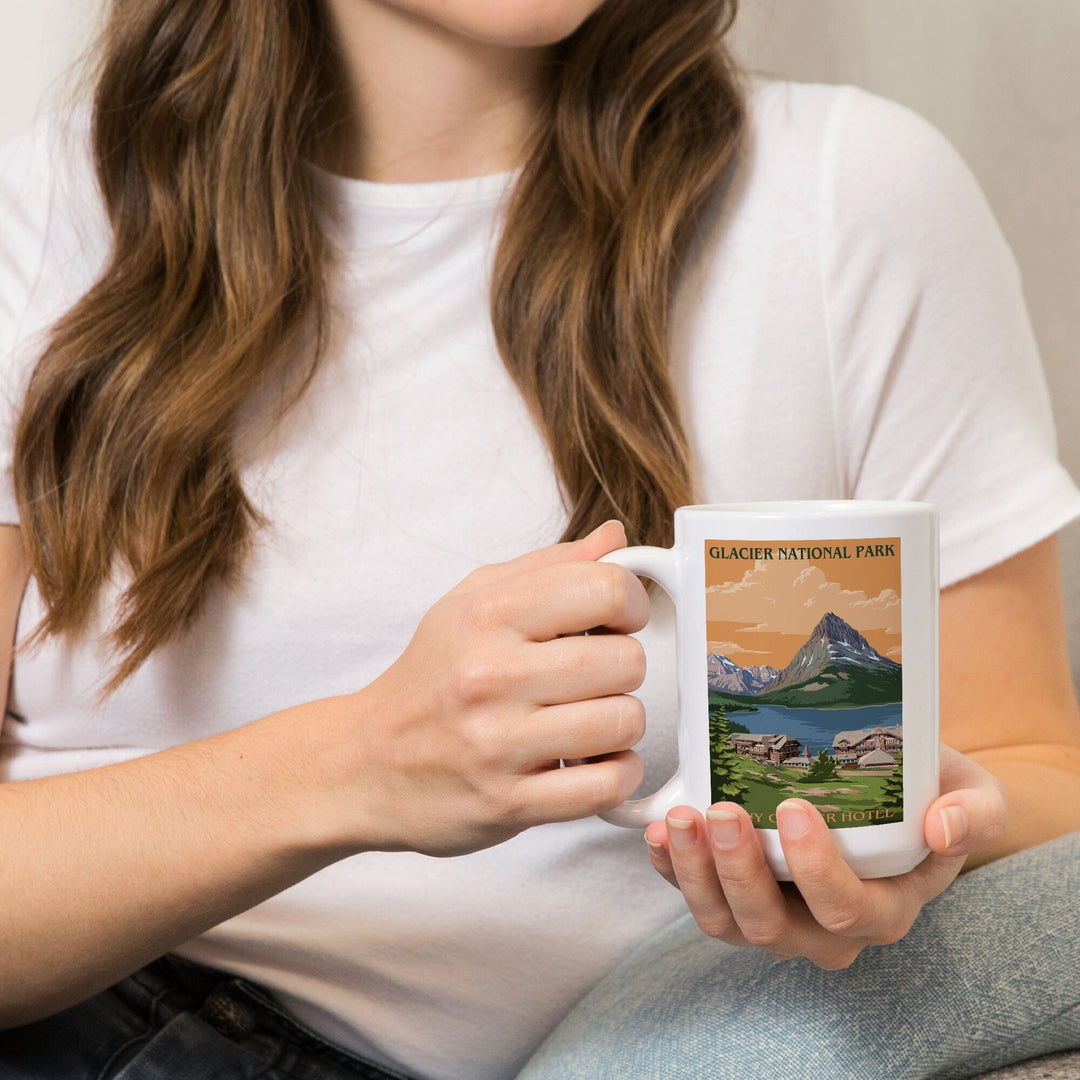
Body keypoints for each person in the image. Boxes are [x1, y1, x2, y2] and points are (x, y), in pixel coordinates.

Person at [0, 1, 1078, 1078]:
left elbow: (1033, 767)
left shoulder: (853, 195)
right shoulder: (38, 220)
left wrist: (929, 846)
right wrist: (359, 764)